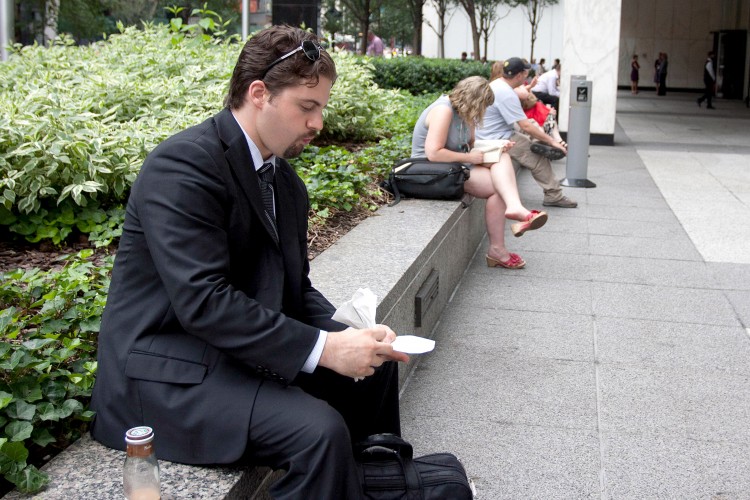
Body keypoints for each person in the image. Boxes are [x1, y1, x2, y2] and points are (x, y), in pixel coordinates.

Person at [89, 25, 410, 499]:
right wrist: (325, 350)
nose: (318, 123)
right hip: (166, 373)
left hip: (230, 353)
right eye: (307, 106)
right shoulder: (182, 167)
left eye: (321, 107)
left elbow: (294, 290)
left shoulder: (284, 182)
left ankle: (374, 485)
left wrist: (347, 334)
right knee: (317, 433)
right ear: (259, 93)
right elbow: (204, 302)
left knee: (377, 372)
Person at [412, 76, 548, 269]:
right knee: (497, 188)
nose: (482, 112)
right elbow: (433, 153)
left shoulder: (465, 112)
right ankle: (497, 249)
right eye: (482, 107)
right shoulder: (443, 110)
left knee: (503, 156)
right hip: (433, 170)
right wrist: (470, 158)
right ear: (473, 101)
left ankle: (515, 207)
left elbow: (470, 144)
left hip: (454, 165)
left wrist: (497, 145)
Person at [477, 58, 577, 208]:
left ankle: (539, 142)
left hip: (491, 133)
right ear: (518, 76)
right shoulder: (506, 93)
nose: (527, 77)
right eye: (525, 74)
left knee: (532, 126)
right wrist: (552, 141)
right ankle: (553, 195)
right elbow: (525, 125)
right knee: (538, 159)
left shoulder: (497, 85)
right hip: (497, 139)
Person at [516, 88, 566, 157]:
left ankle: (558, 141)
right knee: (539, 122)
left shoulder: (535, 105)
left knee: (550, 117)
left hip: (538, 125)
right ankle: (556, 141)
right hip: (531, 126)